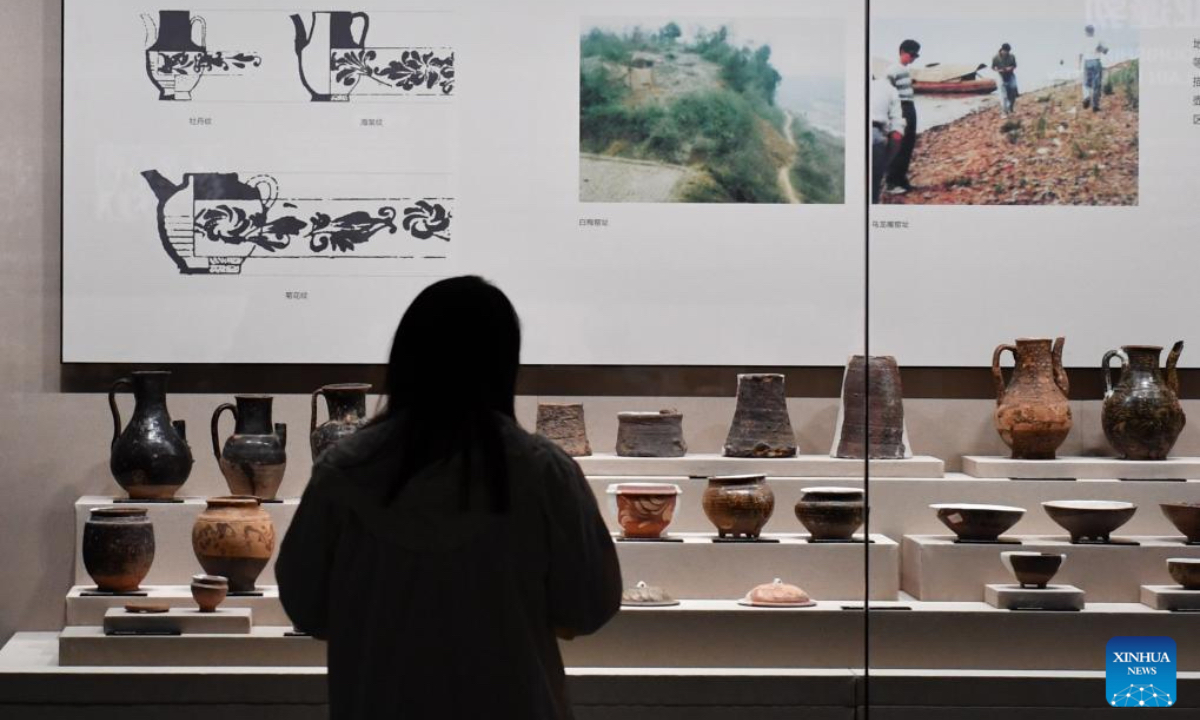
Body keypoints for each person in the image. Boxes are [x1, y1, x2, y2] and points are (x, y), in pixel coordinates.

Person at [277, 275, 622, 720]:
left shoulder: (345, 473)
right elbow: (590, 603)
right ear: (502, 364)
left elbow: (306, 604)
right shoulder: (540, 472)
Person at [885, 39, 921, 194]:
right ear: (902, 52)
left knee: (908, 145)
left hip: (909, 107)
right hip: (901, 109)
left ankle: (902, 179)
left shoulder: (905, 70)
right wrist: (892, 118)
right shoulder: (892, 70)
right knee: (899, 147)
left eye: (916, 56)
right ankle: (891, 183)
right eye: (912, 54)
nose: (913, 58)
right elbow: (887, 95)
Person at [870, 74, 905, 203]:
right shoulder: (891, 90)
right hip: (875, 136)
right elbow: (897, 134)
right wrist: (885, 164)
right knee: (872, 191)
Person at [1079, 24, 1109, 111]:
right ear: (1093, 31)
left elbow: (1080, 54)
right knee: (1097, 85)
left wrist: (1078, 65)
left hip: (1087, 62)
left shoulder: (1083, 40)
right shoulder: (1098, 40)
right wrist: (1100, 49)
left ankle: (1087, 97)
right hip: (1096, 62)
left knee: (1086, 83)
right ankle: (1095, 106)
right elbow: (1106, 51)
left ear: (1086, 32)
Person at [992, 43, 1018, 116]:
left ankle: (1011, 108)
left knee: (1013, 93)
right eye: (1005, 51)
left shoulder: (1012, 56)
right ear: (1002, 50)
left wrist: (1010, 68)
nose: (1006, 53)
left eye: (1008, 52)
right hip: (1000, 75)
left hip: (1010, 75)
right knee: (1003, 95)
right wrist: (997, 69)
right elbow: (993, 67)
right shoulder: (996, 57)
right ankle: (1004, 112)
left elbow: (1014, 65)